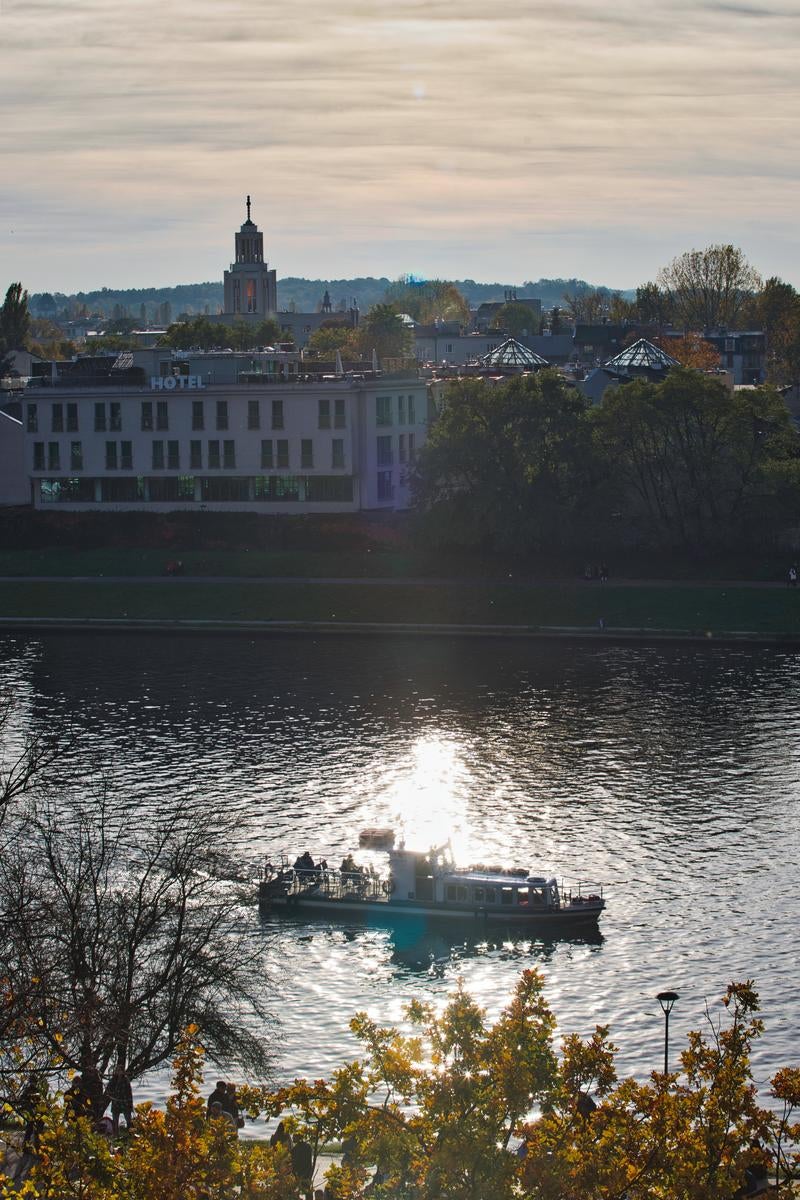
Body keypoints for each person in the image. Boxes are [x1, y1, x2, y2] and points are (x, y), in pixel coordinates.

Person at [106, 1063, 133, 1135]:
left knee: (128, 1120)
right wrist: (111, 1096)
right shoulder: (113, 1080)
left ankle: (131, 1135)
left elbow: (129, 1093)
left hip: (125, 1102)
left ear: (123, 1071)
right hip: (115, 1102)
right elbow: (108, 1090)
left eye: (120, 1070)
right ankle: (115, 1135)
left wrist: (130, 1104)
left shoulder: (126, 1080)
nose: (118, 1072)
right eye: (117, 1070)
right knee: (115, 1120)